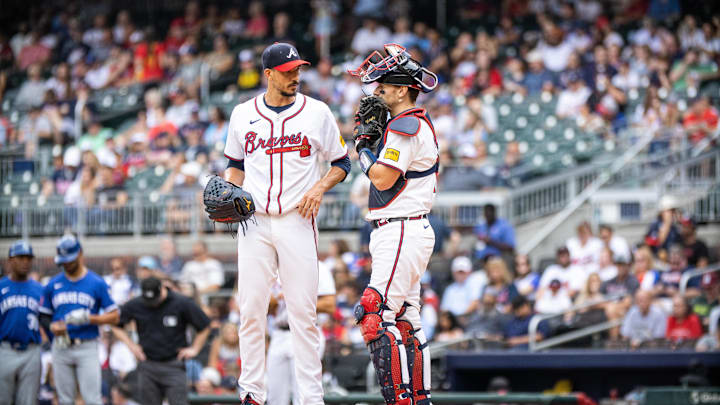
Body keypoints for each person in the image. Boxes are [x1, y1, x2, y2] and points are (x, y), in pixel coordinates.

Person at [221, 42, 349, 405]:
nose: (296, 76)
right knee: (250, 311)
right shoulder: (243, 114)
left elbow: (342, 163)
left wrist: (321, 187)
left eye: (298, 70)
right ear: (269, 74)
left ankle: (312, 399)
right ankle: (252, 394)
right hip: (255, 222)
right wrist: (231, 189)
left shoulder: (317, 113)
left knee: (303, 315)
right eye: (289, 70)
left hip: (297, 219)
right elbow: (236, 165)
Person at [349, 43, 439, 404]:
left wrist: (362, 147)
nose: (377, 92)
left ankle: (400, 400)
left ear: (403, 88)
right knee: (404, 320)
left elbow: (383, 178)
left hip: (401, 227)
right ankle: (418, 398)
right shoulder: (408, 122)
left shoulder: (405, 123)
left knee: (375, 313)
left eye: (383, 85)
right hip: (405, 228)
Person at [38, 234, 119, 405]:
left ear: (80, 254)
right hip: (61, 345)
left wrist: (89, 318)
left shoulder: (96, 282)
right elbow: (44, 315)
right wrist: (52, 328)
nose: (67, 265)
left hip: (86, 345)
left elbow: (114, 315)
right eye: (64, 261)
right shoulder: (53, 284)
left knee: (92, 399)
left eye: (70, 260)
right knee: (65, 399)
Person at [112, 277, 211, 405]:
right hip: (147, 364)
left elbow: (204, 326)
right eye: (149, 301)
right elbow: (115, 325)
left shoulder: (181, 302)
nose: (152, 304)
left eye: (154, 300)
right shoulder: (136, 304)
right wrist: (132, 346)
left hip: (174, 365)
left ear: (162, 290)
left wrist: (195, 349)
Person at [266, 261, 336, 405]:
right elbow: (263, 306)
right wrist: (274, 299)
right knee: (274, 396)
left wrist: (295, 299)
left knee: (304, 394)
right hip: (279, 332)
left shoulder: (317, 266)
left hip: (306, 331)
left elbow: (329, 304)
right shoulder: (273, 268)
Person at [0, 241, 42, 405]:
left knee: (28, 401)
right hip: (5, 349)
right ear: (10, 260)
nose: (25, 262)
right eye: (20, 257)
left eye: (28, 258)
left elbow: (46, 321)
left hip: (31, 350)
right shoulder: (1, 287)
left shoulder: (39, 289)